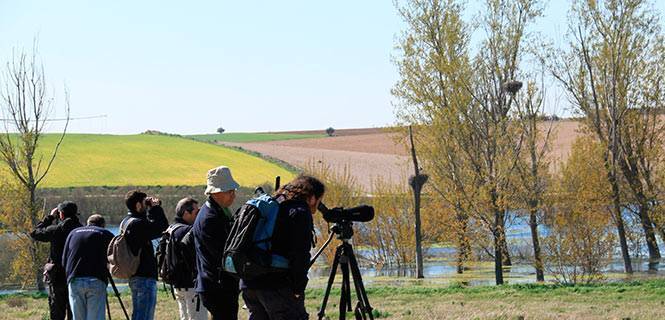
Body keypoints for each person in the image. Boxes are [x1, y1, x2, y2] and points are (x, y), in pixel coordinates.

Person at [240, 175, 325, 320]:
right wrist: (298, 288)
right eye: (319, 200)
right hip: (277, 285)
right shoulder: (300, 211)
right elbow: (300, 255)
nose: (318, 205)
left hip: (249, 282)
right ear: (312, 197)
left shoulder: (274, 204)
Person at [193, 166, 240, 320]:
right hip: (216, 286)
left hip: (218, 285)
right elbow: (224, 254)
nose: (233, 195)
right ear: (215, 193)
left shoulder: (220, 212)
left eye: (233, 190)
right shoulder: (210, 218)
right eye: (228, 191)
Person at [31, 201, 83, 320]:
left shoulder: (55, 230)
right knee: (74, 310)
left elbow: (35, 233)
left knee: (57, 310)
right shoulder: (81, 229)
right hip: (76, 274)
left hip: (57, 276)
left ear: (61, 215)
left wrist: (49, 218)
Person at [122, 190, 169, 320]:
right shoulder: (137, 224)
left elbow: (152, 226)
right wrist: (156, 208)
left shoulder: (127, 221)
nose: (147, 204)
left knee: (138, 314)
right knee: (144, 316)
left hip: (135, 274)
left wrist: (150, 209)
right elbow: (161, 228)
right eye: (145, 202)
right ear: (138, 205)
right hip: (144, 276)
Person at [62, 214, 114, 320]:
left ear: (87, 223)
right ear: (102, 225)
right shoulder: (105, 233)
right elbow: (115, 256)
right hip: (96, 279)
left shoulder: (73, 233)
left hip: (74, 279)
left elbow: (64, 260)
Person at [170, 197, 208, 320]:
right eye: (196, 212)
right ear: (186, 213)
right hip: (191, 285)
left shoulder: (171, 229)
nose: (199, 214)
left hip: (177, 284)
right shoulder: (188, 231)